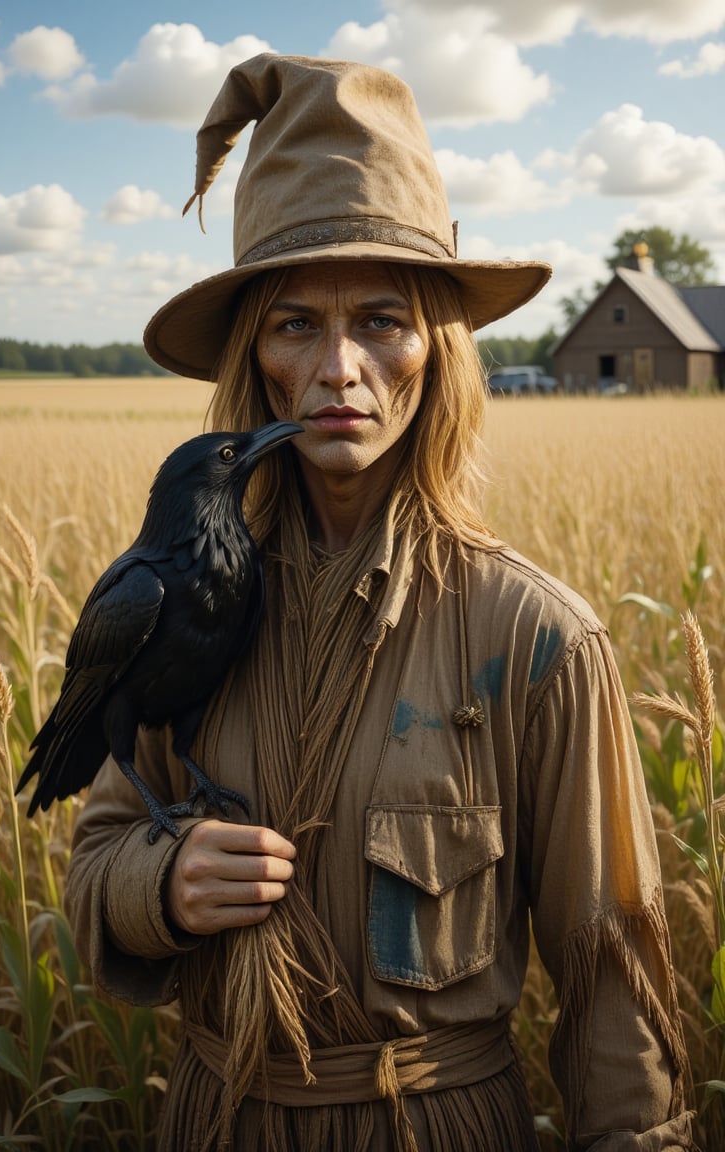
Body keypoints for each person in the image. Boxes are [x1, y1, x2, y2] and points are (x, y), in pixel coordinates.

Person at [65, 54, 696, 1151]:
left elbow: (614, 984)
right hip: (214, 1123)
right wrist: (159, 885)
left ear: (437, 356)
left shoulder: (537, 637)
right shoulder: (180, 604)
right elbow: (93, 865)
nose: (340, 367)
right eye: (296, 323)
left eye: (383, 321)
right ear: (255, 364)